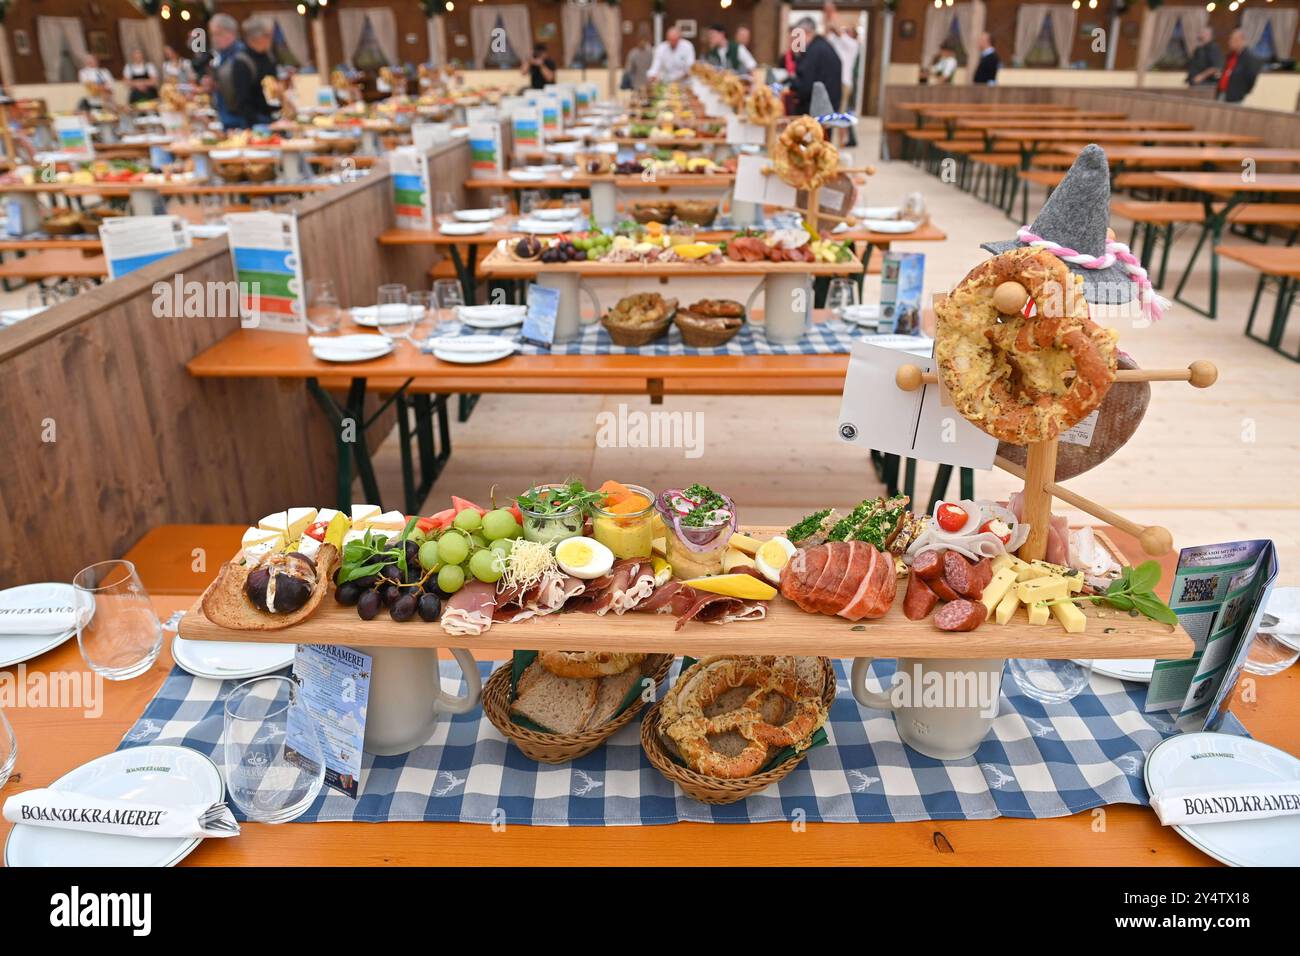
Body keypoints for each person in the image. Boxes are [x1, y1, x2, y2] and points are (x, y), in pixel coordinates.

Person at [206, 13, 265, 130]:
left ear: (231, 32)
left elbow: (246, 93)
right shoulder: (221, 56)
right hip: (226, 118)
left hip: (242, 121)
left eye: (218, 34)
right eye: (212, 35)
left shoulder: (242, 56)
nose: (215, 39)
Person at [788, 17, 841, 117]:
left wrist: (793, 83)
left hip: (816, 110)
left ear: (806, 33)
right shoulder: (823, 45)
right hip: (828, 107)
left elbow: (805, 84)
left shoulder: (814, 51)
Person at [241, 16, 279, 118]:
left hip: (273, 115)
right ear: (255, 37)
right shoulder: (242, 61)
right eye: (267, 35)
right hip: (255, 120)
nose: (270, 38)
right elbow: (243, 100)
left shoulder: (268, 56)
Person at [1217, 29, 1261, 104]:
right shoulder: (1230, 56)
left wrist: (1241, 92)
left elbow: (1251, 77)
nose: (1229, 42)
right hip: (1222, 93)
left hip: (1235, 97)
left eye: (1232, 39)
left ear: (1241, 41)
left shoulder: (1249, 58)